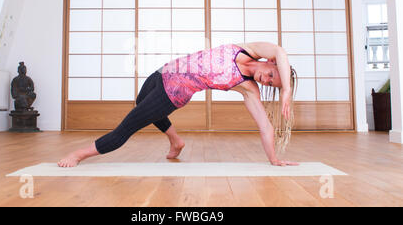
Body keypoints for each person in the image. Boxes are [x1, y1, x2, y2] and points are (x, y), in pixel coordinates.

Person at [58, 42, 299, 168]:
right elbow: (280, 49)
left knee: (127, 127)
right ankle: (176, 140)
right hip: (164, 71)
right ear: (271, 62)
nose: (265, 80)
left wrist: (274, 159)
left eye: (272, 84)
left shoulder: (247, 87)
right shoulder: (251, 50)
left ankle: (79, 155)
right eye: (270, 74)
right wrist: (286, 90)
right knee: (140, 102)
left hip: (172, 93)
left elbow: (265, 127)